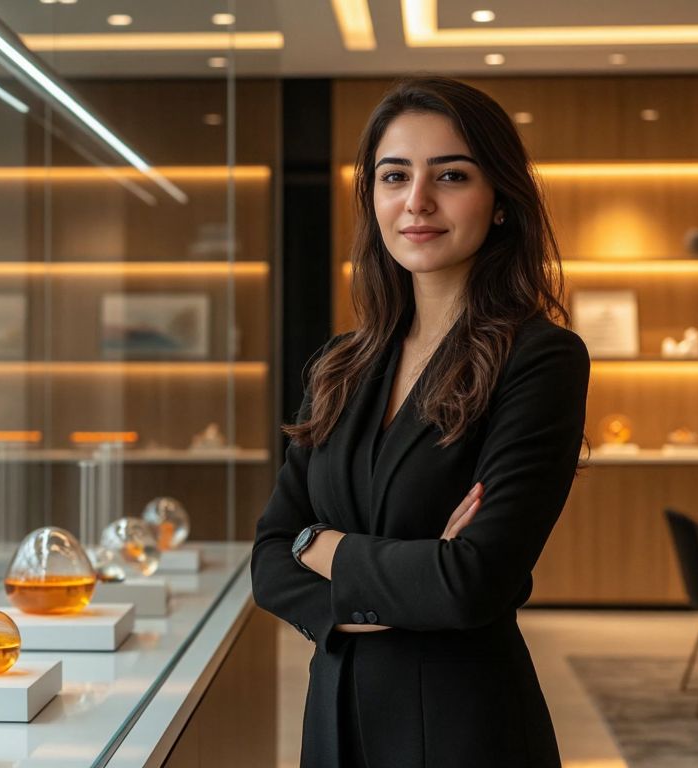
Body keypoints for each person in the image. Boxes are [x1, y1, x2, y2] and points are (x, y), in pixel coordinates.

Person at [250, 76, 590, 767]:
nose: (417, 202)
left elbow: (470, 581)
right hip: (336, 716)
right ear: (372, 197)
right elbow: (267, 559)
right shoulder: (338, 364)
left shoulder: (540, 358)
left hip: (462, 726)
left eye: (452, 175)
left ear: (499, 201)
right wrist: (375, 578)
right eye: (394, 176)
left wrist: (321, 547)